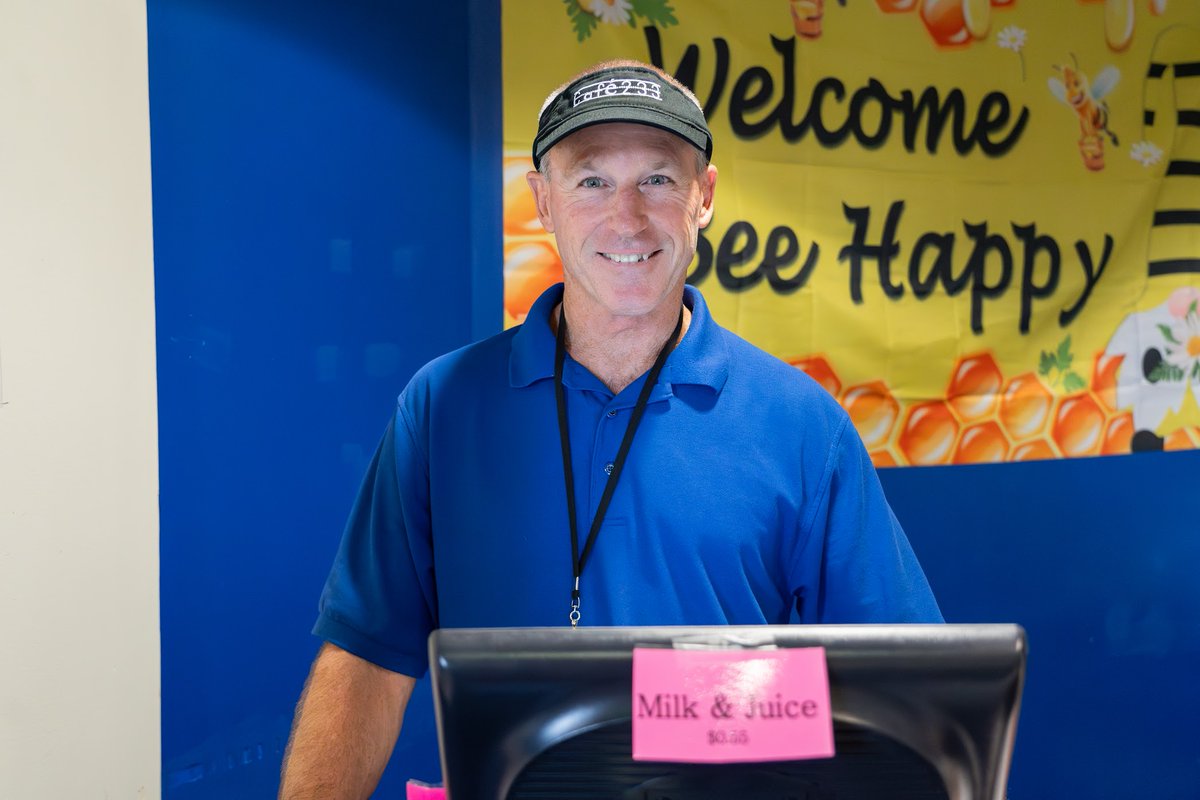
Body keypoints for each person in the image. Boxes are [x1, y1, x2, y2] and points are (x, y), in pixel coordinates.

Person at [279, 59, 942, 798]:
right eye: (592, 180)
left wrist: (684, 707)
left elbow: (898, 688)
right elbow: (367, 658)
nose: (627, 217)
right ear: (542, 201)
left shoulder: (802, 425)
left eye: (658, 179)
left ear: (706, 197)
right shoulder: (440, 406)